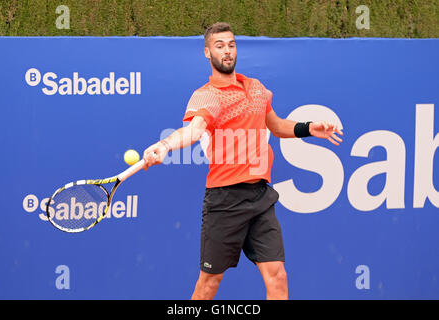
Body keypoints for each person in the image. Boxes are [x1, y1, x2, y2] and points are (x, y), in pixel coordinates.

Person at [142, 22, 343, 300]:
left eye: (231, 45)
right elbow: (194, 129)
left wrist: (309, 128)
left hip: (260, 196)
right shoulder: (207, 95)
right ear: (207, 52)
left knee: (278, 275)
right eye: (219, 46)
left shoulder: (256, 88)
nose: (227, 51)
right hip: (225, 200)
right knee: (209, 283)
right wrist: (165, 145)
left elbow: (276, 126)